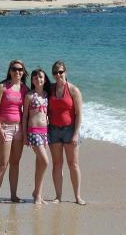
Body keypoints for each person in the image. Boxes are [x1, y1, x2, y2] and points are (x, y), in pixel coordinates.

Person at [48, 60, 86, 205]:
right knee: (57, 164)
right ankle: (58, 196)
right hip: (54, 130)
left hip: (70, 130)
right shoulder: (50, 89)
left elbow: (79, 114)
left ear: (65, 72)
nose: (58, 75)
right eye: (55, 72)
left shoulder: (73, 90)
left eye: (61, 72)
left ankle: (78, 196)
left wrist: (76, 133)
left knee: (73, 164)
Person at [0, 60, 29, 203]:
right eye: (14, 69)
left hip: (18, 129)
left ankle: (13, 195)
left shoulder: (24, 89)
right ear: (9, 71)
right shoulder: (2, 87)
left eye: (20, 69)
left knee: (15, 163)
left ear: (23, 72)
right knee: (3, 163)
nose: (17, 72)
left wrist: (26, 132)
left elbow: (26, 111)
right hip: (4, 128)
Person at [22, 68, 51, 204]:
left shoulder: (46, 95)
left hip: (44, 132)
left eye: (40, 77)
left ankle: (37, 194)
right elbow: (25, 116)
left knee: (40, 164)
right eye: (35, 77)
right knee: (45, 161)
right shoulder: (29, 96)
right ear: (32, 81)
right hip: (33, 131)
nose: (38, 79)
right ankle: (36, 193)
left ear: (44, 79)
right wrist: (24, 135)